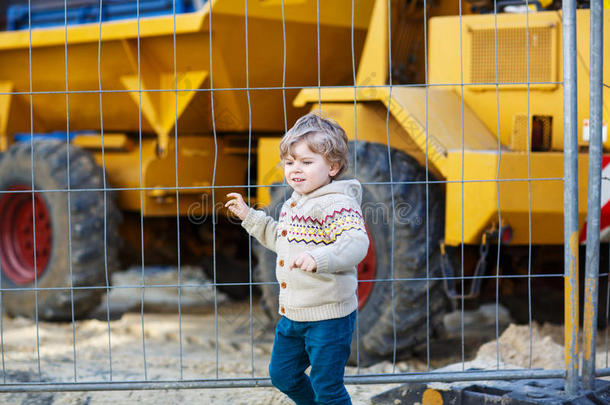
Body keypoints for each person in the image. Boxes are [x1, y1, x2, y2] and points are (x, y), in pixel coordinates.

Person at [224, 112, 369, 405]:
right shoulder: (295, 201)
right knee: (283, 374)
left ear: (333, 166)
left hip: (329, 317)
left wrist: (319, 258)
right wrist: (249, 217)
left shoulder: (336, 203)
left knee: (327, 387)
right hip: (293, 315)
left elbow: (356, 244)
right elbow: (281, 240)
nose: (295, 170)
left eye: (306, 162)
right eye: (290, 162)